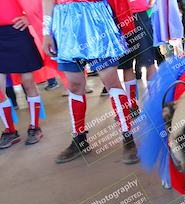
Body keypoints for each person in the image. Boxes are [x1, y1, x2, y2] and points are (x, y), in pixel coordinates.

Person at [42, 0, 139, 164]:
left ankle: (128, 137)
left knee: (111, 82)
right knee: (74, 85)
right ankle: (79, 139)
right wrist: (46, 32)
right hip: (64, 24)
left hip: (96, 19)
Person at [0, 0, 45, 149]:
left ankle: (35, 127)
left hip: (17, 32)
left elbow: (37, 3)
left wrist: (29, 18)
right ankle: (10, 131)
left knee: (28, 83)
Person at [117, 0, 157, 112]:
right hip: (119, 16)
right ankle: (132, 106)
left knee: (149, 62)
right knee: (127, 65)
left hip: (138, 14)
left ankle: (155, 103)